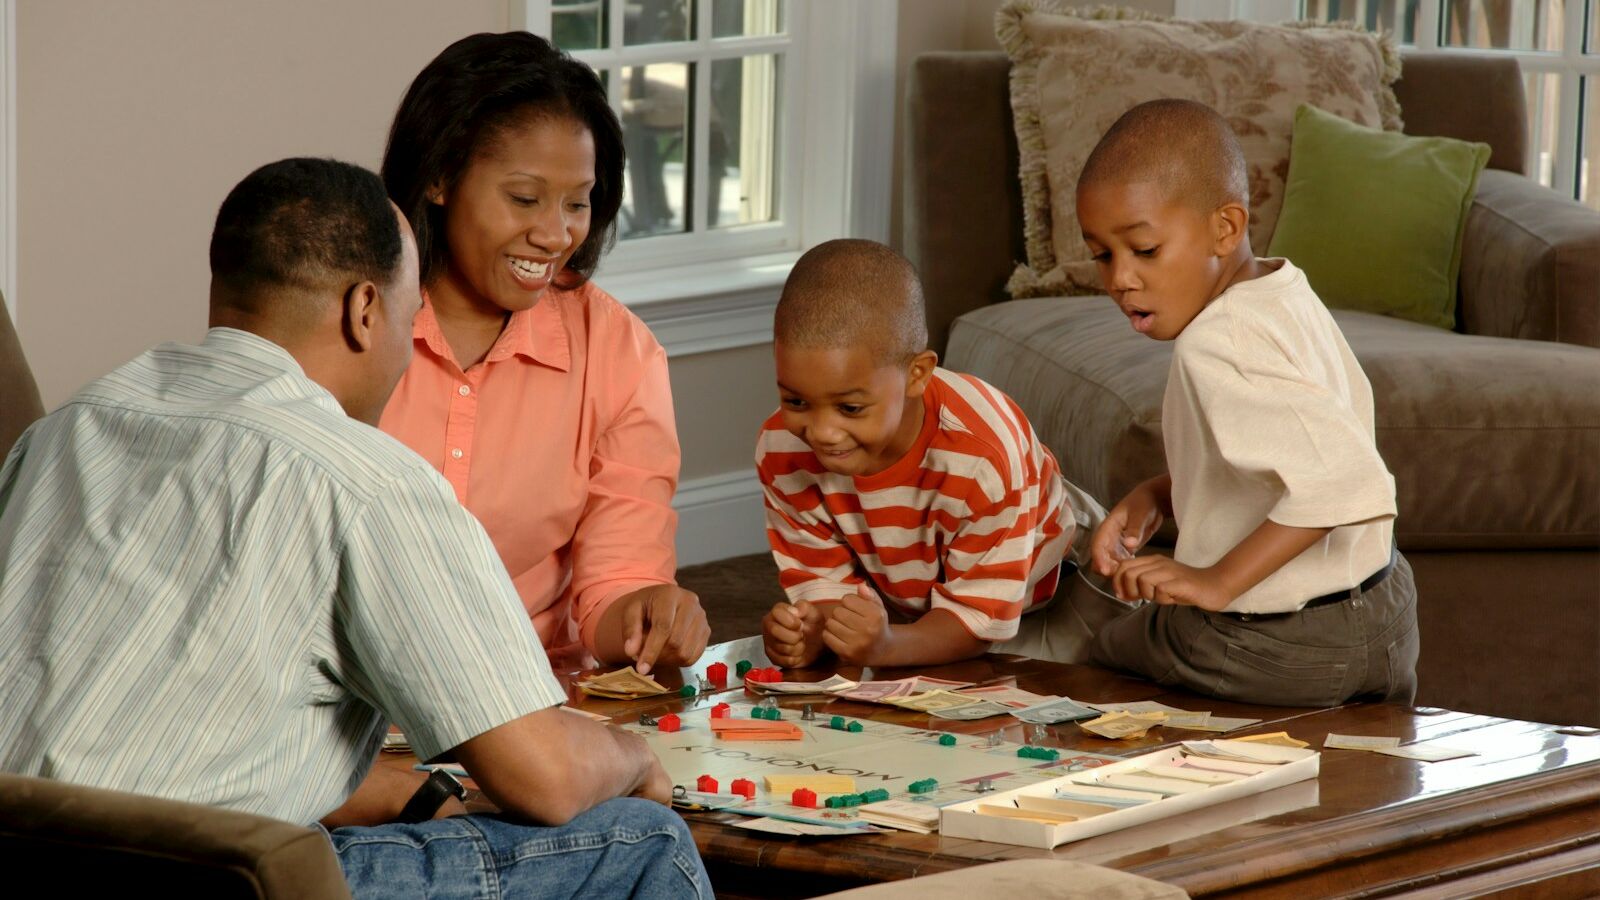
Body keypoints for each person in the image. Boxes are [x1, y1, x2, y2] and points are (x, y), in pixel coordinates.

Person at [0, 157, 711, 898]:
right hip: (209, 881)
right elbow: (549, 780)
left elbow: (191, 744)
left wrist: (429, 794)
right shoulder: (367, 480)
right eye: (409, 320)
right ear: (364, 309)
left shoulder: (66, 434)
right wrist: (630, 755)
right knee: (642, 840)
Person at [379, 32, 707, 673]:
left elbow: (617, 579)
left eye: (577, 203)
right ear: (441, 177)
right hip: (357, 700)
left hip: (529, 694)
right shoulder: (353, 321)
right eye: (524, 199)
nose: (556, 234)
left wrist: (646, 616)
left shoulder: (618, 351)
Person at [1077, 99, 1419, 707]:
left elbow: (1345, 484)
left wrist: (1213, 582)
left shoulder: (1216, 341)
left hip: (1278, 641)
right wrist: (1161, 492)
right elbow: (1302, 452)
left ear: (1225, 228)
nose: (1119, 279)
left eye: (1144, 250)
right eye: (1104, 255)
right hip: (1386, 614)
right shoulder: (1283, 289)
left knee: (1103, 650)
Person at [756, 239, 1107, 669]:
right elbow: (827, 591)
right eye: (796, 402)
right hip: (924, 598)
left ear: (916, 374)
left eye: (850, 408)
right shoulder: (783, 449)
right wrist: (819, 631)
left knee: (1065, 692)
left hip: (1060, 584)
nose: (822, 432)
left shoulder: (983, 457)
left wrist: (886, 647)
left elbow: (975, 620)